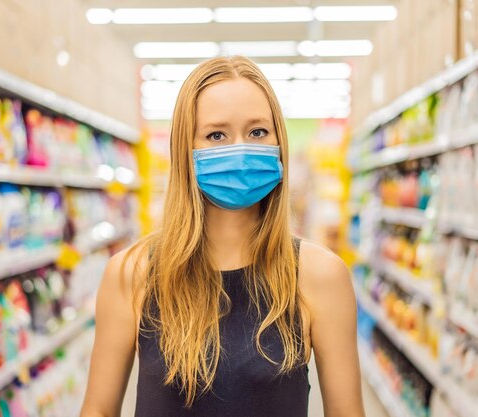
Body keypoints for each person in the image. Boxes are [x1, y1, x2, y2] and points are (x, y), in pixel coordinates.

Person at [79, 56, 365, 417]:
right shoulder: (131, 274)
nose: (241, 149)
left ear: (279, 143)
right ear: (186, 150)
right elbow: (98, 410)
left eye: (258, 132)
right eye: (217, 135)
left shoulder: (320, 275)